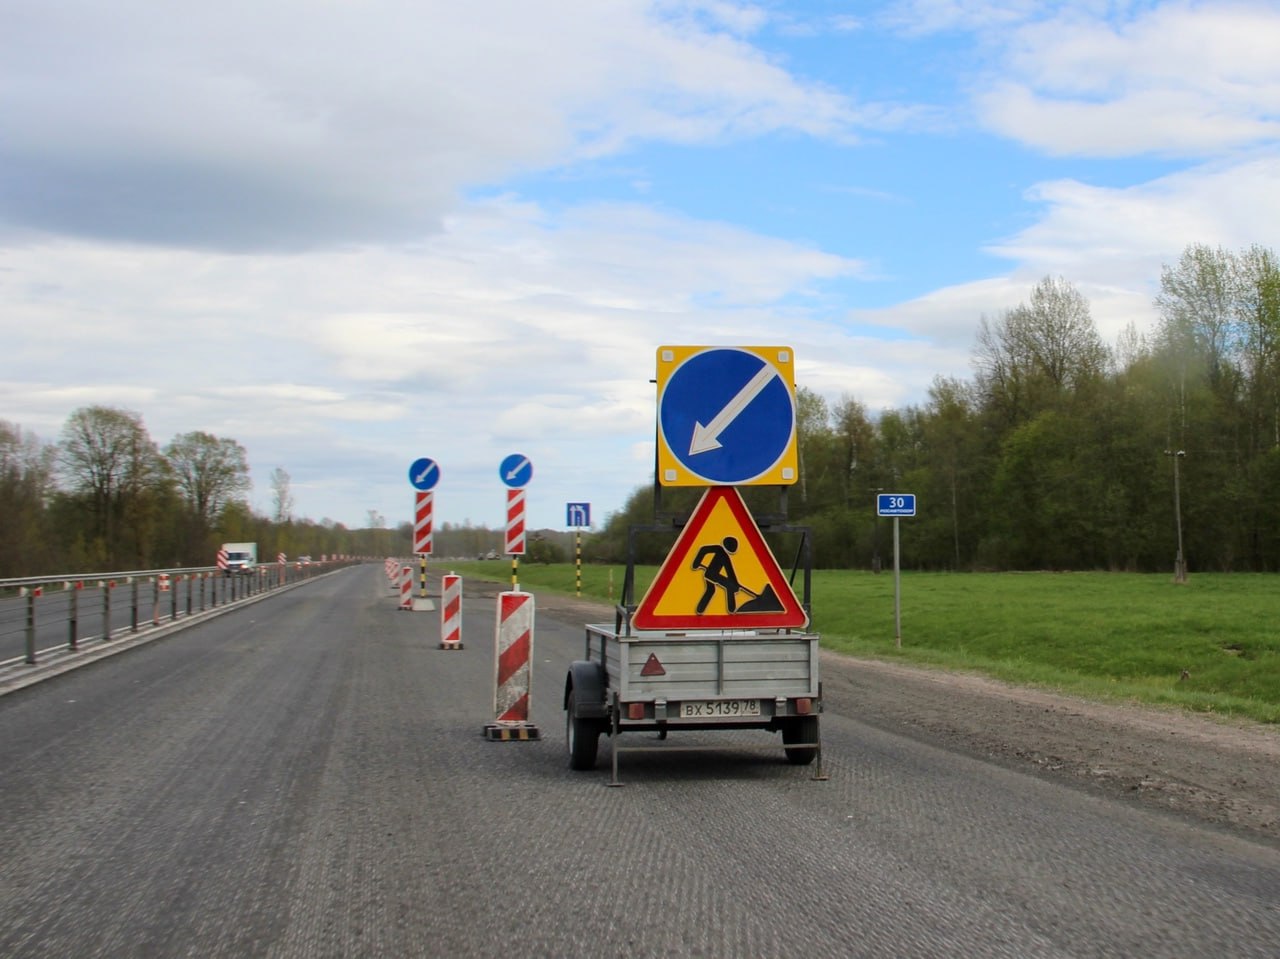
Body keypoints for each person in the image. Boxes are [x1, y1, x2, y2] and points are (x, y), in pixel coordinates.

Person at [691, 536, 740, 615]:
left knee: (711, 590)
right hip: (712, 574)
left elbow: (730, 572)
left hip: (711, 574)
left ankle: (700, 610)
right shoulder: (718, 549)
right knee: (729, 586)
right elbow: (703, 549)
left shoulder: (725, 556)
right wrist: (696, 562)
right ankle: (731, 609)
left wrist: (735, 583)